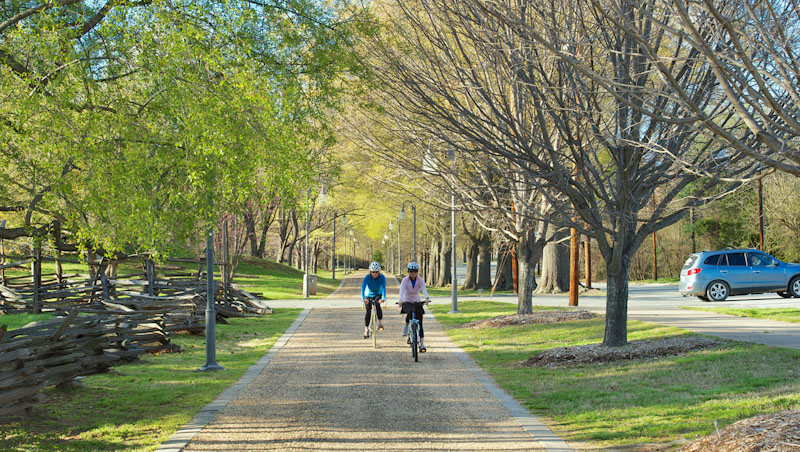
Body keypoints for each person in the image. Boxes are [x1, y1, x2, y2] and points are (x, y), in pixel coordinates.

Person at [398, 261, 430, 352]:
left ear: (417, 272)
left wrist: (426, 298)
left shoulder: (420, 280)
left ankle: (422, 344)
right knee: (409, 314)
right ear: (408, 272)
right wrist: (400, 300)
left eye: (415, 271)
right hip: (407, 300)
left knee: (420, 322)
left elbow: (424, 289)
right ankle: (406, 328)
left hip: (417, 300)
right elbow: (402, 290)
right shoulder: (405, 280)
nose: (413, 273)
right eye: (411, 271)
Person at [361, 261, 386, 338]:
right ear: (370, 272)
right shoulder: (367, 277)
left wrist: (383, 298)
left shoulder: (382, 277)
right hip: (368, 294)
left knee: (378, 305)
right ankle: (366, 329)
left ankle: (380, 323)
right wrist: (363, 298)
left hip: (378, 294)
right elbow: (363, 288)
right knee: (368, 311)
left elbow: (384, 288)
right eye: (372, 272)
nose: (374, 274)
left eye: (376, 272)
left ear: (379, 272)